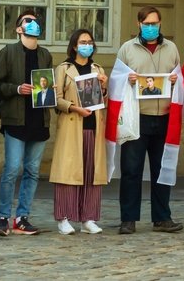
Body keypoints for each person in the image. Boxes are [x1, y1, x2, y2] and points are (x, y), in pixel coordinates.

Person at [116, 6, 183, 234]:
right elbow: (116, 80)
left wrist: (175, 80)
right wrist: (128, 79)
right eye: (147, 24)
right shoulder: (128, 49)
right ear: (139, 25)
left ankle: (162, 217)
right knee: (131, 170)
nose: (151, 27)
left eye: (155, 23)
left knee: (161, 169)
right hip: (137, 117)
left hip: (163, 116)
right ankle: (128, 219)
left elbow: (180, 78)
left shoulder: (171, 48)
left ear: (161, 24)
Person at [0, 9, 52, 236]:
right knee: (11, 170)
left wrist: (50, 92)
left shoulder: (45, 54)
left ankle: (22, 217)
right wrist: (17, 89)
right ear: (19, 29)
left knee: (32, 171)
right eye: (28, 21)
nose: (33, 24)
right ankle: (3, 217)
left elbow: (46, 84)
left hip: (39, 120)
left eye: (36, 22)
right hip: (16, 120)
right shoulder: (8, 52)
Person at [50, 29, 109, 235]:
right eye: (83, 42)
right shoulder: (64, 69)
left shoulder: (97, 68)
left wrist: (103, 87)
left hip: (93, 126)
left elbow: (103, 100)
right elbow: (55, 99)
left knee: (91, 173)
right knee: (68, 172)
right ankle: (64, 218)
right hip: (72, 125)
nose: (87, 45)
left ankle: (88, 218)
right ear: (74, 46)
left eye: (90, 42)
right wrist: (74, 107)